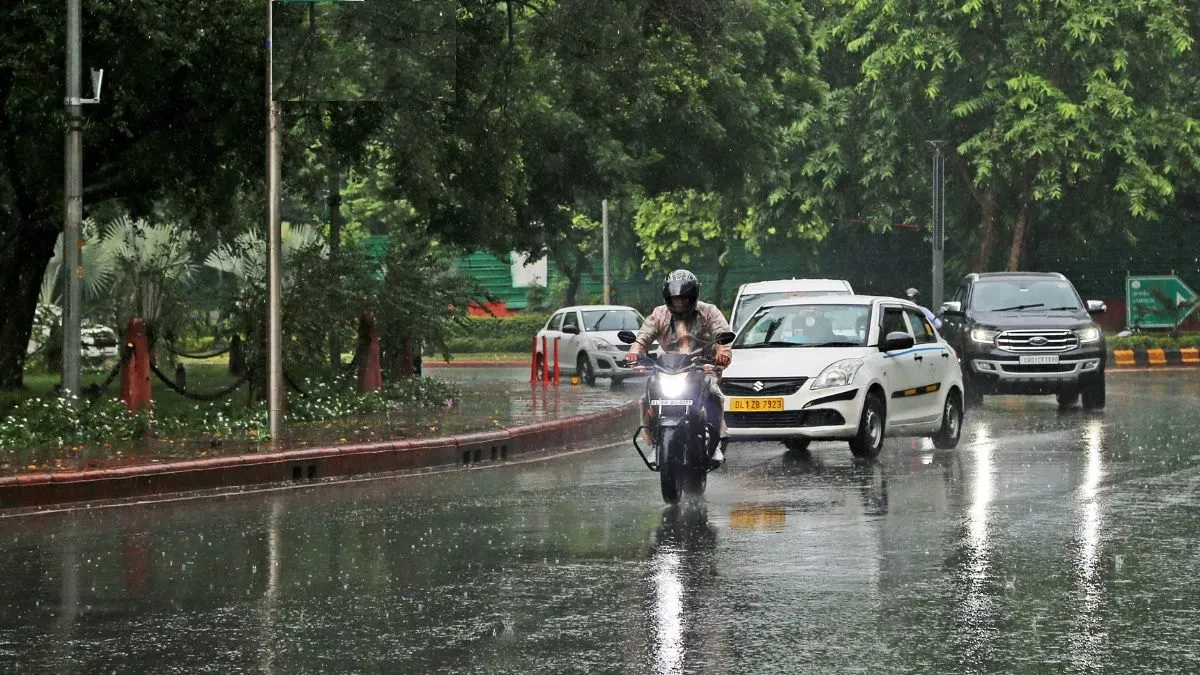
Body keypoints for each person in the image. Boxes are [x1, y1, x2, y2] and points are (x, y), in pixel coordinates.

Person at [626, 270, 734, 467]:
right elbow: (644, 335)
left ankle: (717, 440)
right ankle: (654, 444)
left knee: (715, 395)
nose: (680, 303)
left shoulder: (709, 311)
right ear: (668, 299)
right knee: (645, 398)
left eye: (684, 299)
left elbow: (722, 332)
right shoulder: (659, 314)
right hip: (668, 367)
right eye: (675, 299)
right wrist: (635, 351)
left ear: (693, 297)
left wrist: (723, 353)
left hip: (703, 365)